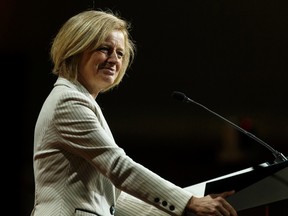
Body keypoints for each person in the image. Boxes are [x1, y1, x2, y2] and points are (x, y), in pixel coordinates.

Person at [31, 9, 238, 216]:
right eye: (105, 49)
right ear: (75, 49)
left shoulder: (79, 100)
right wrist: (189, 202)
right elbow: (119, 166)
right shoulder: (68, 101)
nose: (114, 60)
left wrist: (185, 210)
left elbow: (114, 198)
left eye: (120, 53)